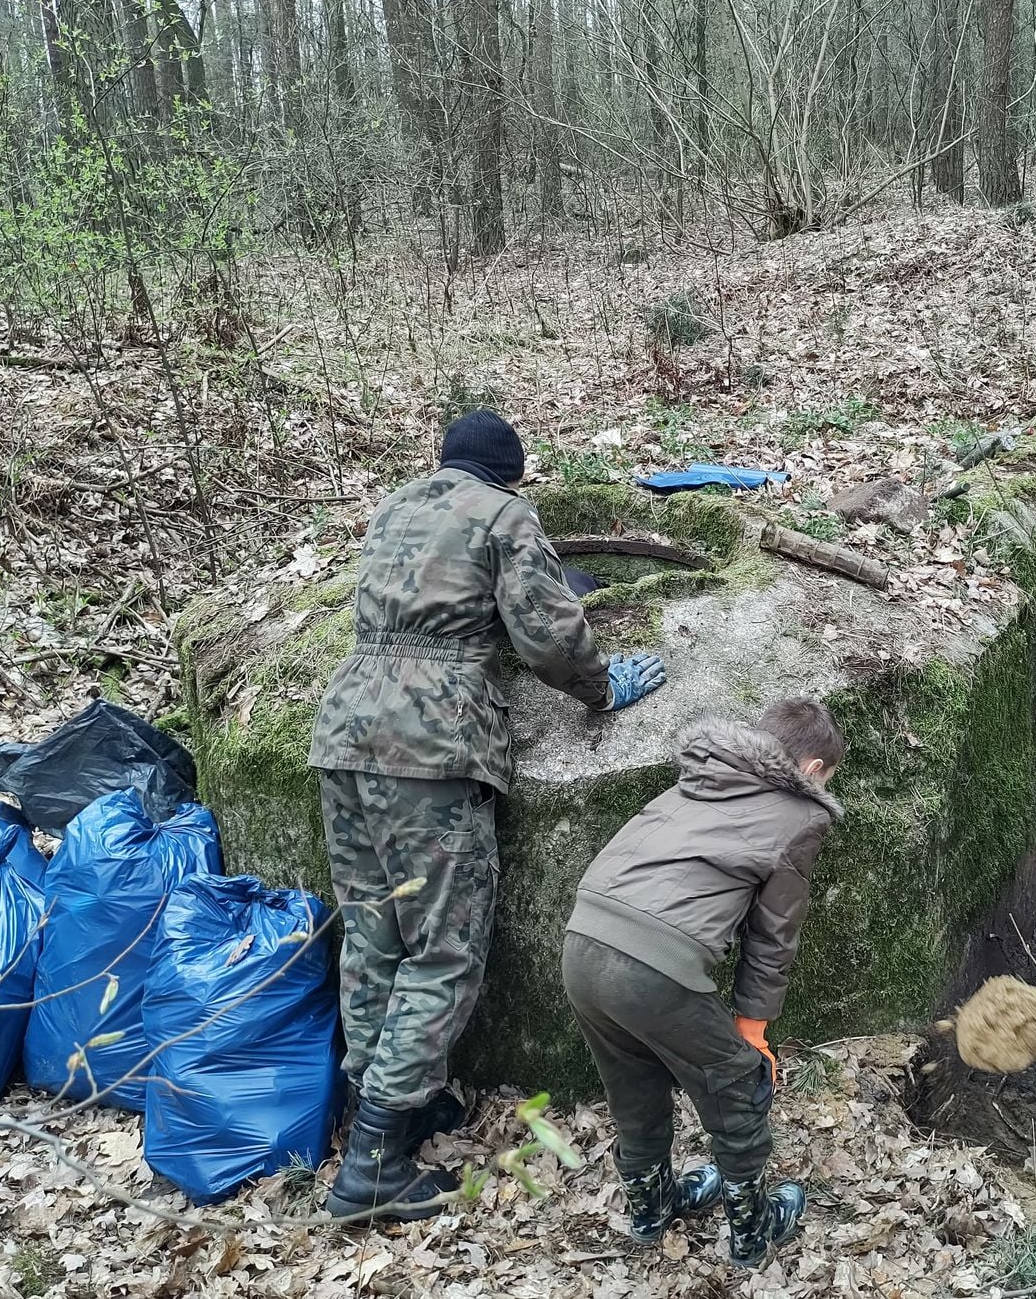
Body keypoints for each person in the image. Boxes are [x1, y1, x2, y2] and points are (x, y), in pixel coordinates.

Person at [308, 409, 668, 1221]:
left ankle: (392, 1107)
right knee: (444, 951)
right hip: (430, 747)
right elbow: (547, 634)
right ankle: (372, 1166)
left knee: (373, 937)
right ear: (510, 471)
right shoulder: (506, 514)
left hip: (344, 732)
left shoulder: (398, 504)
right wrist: (605, 688)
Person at [560, 699, 845, 1267]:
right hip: (651, 965)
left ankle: (651, 1209)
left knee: (632, 1081)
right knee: (738, 1082)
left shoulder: (696, 777)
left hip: (582, 943)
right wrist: (753, 1029)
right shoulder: (800, 815)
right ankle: (752, 1227)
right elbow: (772, 936)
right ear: (812, 770)